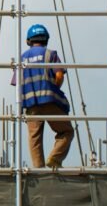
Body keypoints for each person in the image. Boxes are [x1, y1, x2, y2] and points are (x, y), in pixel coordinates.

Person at [13, 23, 74, 170]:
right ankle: (54, 158)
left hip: (31, 104)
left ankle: (38, 169)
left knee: (34, 138)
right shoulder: (50, 54)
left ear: (29, 40)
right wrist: (54, 88)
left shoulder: (21, 60)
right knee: (66, 131)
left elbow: (17, 84)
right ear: (46, 39)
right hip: (50, 101)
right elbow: (59, 75)